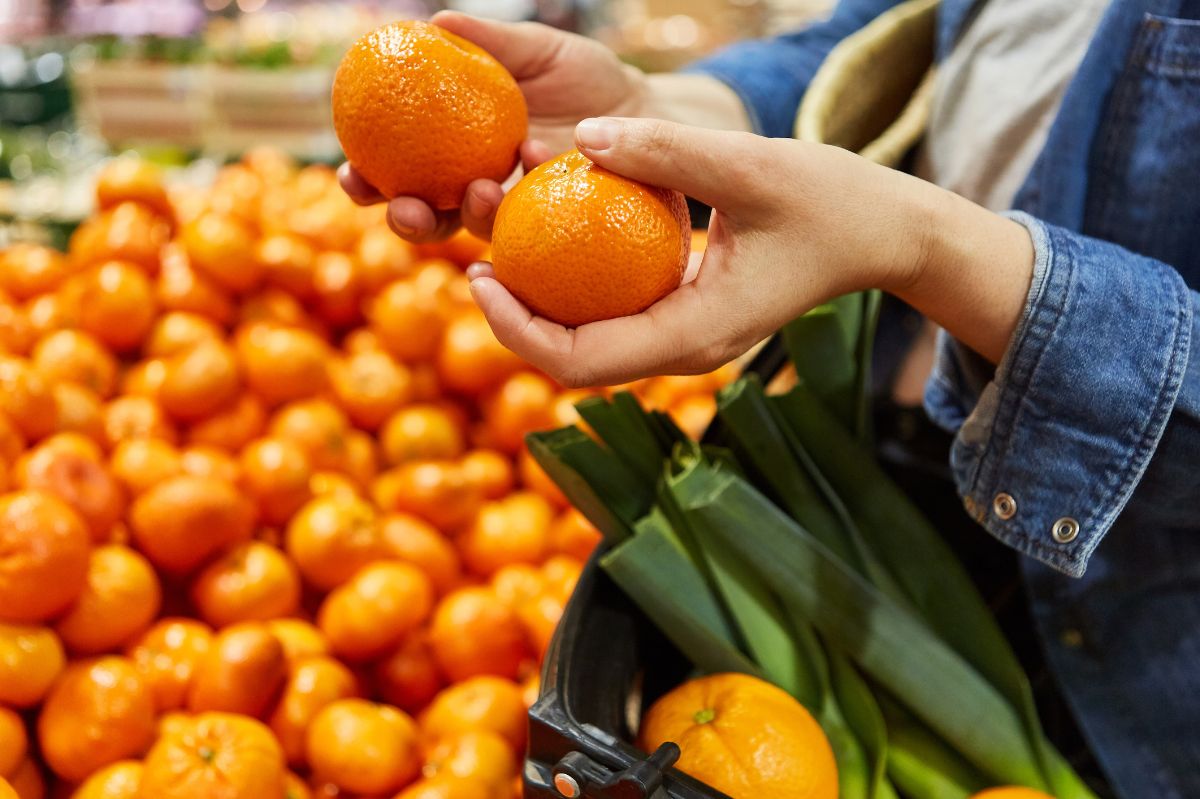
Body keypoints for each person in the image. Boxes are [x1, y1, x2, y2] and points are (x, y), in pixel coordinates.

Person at [340, 2, 1200, 795]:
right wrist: (656, 108)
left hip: (1129, 597)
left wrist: (925, 246)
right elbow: (885, 38)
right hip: (887, 473)